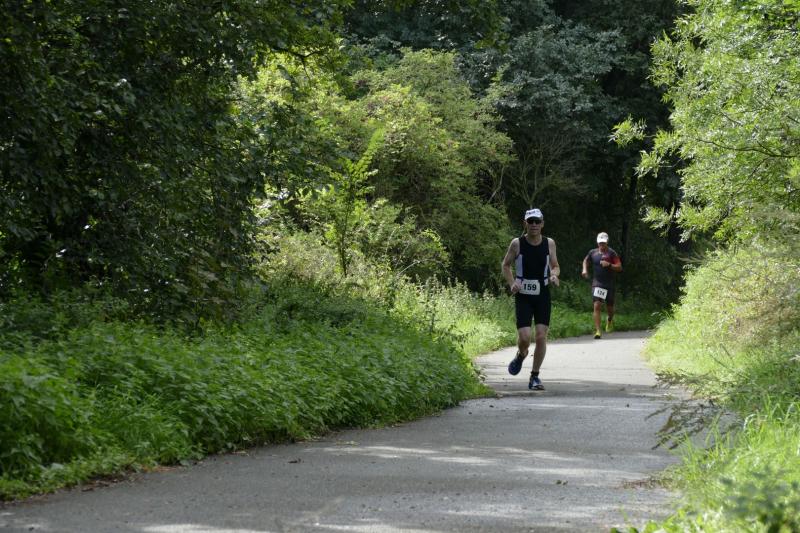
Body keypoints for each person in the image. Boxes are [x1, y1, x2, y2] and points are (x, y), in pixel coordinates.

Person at [501, 208, 560, 390]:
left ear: (542, 224)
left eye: (537, 221)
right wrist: (512, 283)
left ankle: (534, 376)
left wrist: (554, 275)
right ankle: (521, 354)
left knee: (541, 336)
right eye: (530, 221)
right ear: (525, 223)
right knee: (525, 337)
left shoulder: (549, 243)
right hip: (523, 296)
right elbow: (506, 265)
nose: (534, 224)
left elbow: (555, 265)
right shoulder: (517, 244)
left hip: (542, 294)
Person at [581, 232, 623, 339]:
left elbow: (619, 267)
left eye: (603, 243)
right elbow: (586, 260)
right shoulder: (593, 252)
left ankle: (609, 320)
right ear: (597, 242)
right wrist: (585, 270)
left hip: (609, 284)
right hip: (598, 283)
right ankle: (598, 331)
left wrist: (609, 265)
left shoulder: (612, 253)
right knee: (597, 305)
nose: (601, 245)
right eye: (600, 243)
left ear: (607, 242)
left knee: (610, 308)